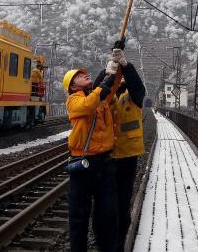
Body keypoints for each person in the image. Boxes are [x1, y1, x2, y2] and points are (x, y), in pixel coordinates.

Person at [63, 59, 119, 252]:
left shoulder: (99, 97)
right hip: (83, 164)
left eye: (84, 73)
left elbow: (111, 88)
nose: (84, 75)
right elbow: (88, 105)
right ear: (72, 85)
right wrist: (103, 82)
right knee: (78, 216)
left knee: (108, 213)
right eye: (79, 76)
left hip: (104, 163)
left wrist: (114, 67)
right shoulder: (74, 100)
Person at [103, 48, 146, 252]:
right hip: (107, 156)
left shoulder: (134, 95)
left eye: (120, 74)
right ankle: (108, 241)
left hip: (128, 157)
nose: (119, 77)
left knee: (122, 203)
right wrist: (106, 73)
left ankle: (120, 242)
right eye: (116, 74)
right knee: (106, 204)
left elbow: (139, 87)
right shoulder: (106, 94)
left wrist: (127, 66)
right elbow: (94, 91)